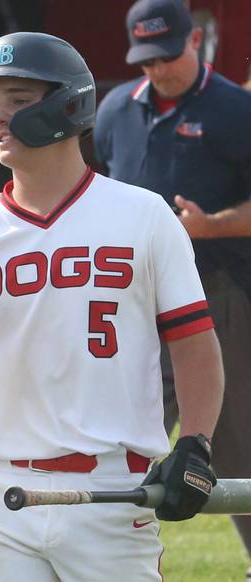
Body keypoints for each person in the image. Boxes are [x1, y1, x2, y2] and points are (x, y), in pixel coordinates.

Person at [0, 31, 224, 581]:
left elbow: (194, 342)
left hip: (114, 491)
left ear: (71, 102)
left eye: (18, 99)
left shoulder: (144, 215)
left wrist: (196, 442)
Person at [93, 0, 251, 574]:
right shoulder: (114, 110)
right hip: (136, 301)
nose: (158, 70)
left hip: (219, 293)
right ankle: (101, 556)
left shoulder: (236, 108)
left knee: (234, 447)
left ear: (194, 41)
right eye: (146, 60)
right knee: (117, 440)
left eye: (166, 56)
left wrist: (213, 226)